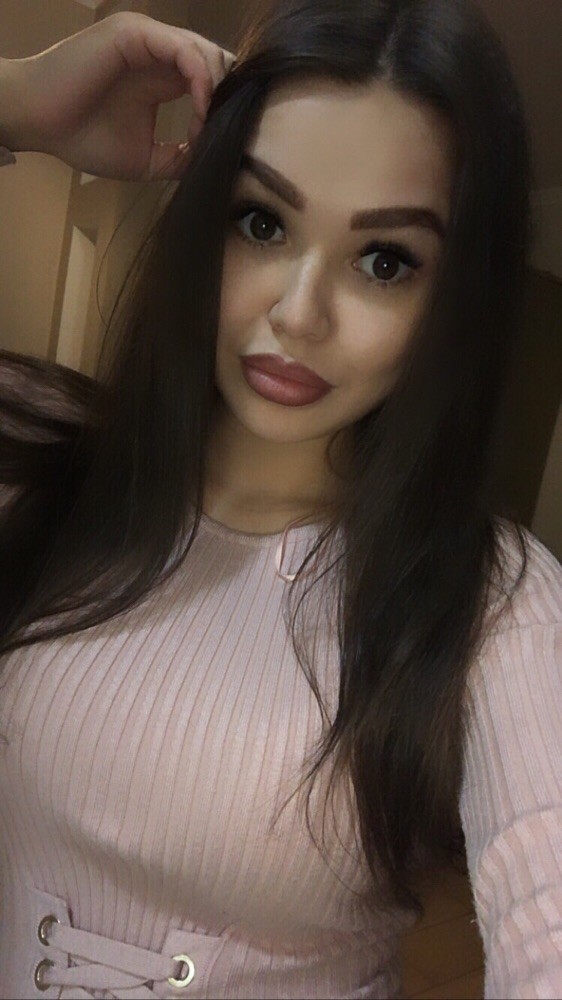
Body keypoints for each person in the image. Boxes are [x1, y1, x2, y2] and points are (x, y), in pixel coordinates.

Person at [0, 2, 560, 998]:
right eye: (262, 221)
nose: (299, 314)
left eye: (384, 261)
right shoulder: (43, 463)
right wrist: (11, 101)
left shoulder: (497, 605)